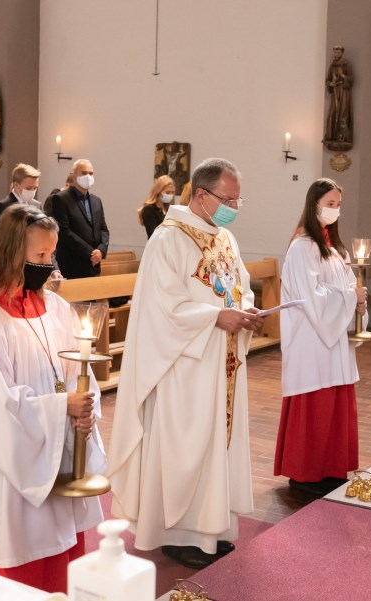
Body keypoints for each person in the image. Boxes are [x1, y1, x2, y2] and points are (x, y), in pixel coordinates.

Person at [107, 158, 263, 570]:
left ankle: (210, 529)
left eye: (237, 199)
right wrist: (214, 317)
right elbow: (162, 309)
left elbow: (240, 287)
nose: (233, 206)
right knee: (186, 446)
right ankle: (177, 533)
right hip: (184, 367)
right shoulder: (168, 240)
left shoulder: (225, 237)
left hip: (222, 363)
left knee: (217, 444)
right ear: (201, 195)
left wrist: (246, 309)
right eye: (228, 199)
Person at [0, 203, 105, 593]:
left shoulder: (55, 307)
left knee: (59, 545)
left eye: (51, 254)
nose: (49, 264)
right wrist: (59, 408)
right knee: (20, 548)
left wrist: (85, 408)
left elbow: (76, 373)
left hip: (55, 446)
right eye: (39, 256)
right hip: (10, 461)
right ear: (11, 253)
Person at [273, 178, 367, 496]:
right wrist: (350, 297)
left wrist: (358, 297)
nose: (335, 210)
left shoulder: (332, 249)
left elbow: (343, 288)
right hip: (311, 340)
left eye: (338, 205)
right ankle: (306, 472)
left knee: (335, 402)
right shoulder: (302, 247)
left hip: (333, 340)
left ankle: (330, 468)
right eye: (329, 204)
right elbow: (312, 298)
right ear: (313, 205)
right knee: (314, 404)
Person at [49, 159, 110, 279]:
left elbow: (103, 229)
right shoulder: (60, 198)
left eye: (91, 173)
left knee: (93, 297)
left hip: (94, 264)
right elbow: (65, 231)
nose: (88, 176)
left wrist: (101, 251)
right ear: (73, 175)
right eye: (83, 173)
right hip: (72, 263)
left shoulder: (96, 200)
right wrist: (90, 253)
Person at [323, 45, 354, 149]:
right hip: (335, 91)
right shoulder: (332, 65)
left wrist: (343, 76)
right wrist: (330, 84)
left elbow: (351, 79)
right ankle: (331, 136)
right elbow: (327, 79)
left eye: (338, 53)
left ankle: (343, 137)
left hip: (343, 91)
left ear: (342, 53)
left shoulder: (346, 64)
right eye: (335, 53)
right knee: (332, 112)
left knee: (342, 114)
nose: (336, 55)